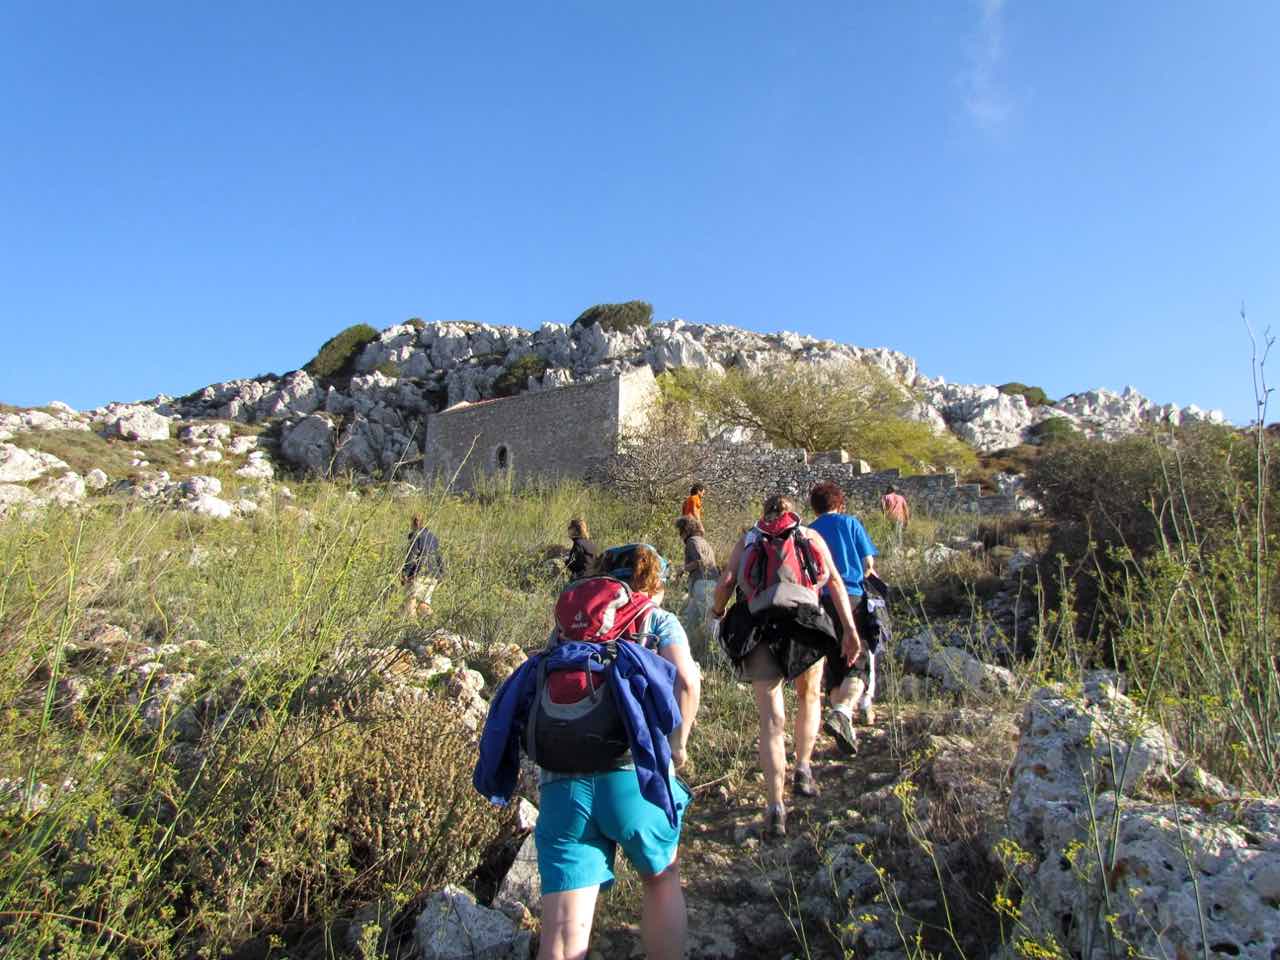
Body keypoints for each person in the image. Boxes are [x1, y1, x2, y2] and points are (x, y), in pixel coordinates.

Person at [535, 546, 701, 960]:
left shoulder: (568, 627)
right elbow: (687, 682)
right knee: (661, 878)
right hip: (633, 777)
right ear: (652, 583)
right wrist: (677, 745)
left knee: (562, 931)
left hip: (562, 779)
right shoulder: (656, 619)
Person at [709, 494, 863, 839]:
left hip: (761, 628)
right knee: (810, 696)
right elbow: (835, 582)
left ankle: (775, 807)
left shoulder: (750, 538)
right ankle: (804, 769)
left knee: (771, 720)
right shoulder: (809, 536)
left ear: (763, 514)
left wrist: (717, 613)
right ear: (794, 512)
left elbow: (726, 582)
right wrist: (849, 631)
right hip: (805, 625)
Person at [810, 481, 881, 731]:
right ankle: (843, 711)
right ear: (839, 503)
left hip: (820, 602)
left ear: (814, 507)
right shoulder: (851, 524)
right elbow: (867, 563)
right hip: (852, 597)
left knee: (834, 662)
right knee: (858, 658)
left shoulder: (809, 531)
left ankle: (844, 722)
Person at [675, 516, 719, 658]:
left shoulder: (692, 542)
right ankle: (682, 652)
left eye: (680, 530)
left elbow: (702, 561)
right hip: (705, 585)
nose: (679, 534)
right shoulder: (702, 541)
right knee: (689, 621)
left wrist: (683, 569)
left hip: (703, 585)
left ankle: (722, 655)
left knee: (711, 622)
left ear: (686, 529)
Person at [401, 515, 444, 618]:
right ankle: (434, 625)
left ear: (413, 523)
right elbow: (439, 556)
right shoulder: (433, 537)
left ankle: (410, 630)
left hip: (418, 575)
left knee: (410, 602)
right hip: (433, 575)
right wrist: (441, 573)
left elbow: (412, 556)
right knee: (423, 604)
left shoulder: (416, 536)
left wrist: (405, 574)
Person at [881, 484, 910, 550]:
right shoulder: (901, 497)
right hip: (900, 517)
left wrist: (884, 517)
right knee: (898, 533)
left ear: (889, 490)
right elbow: (906, 509)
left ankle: (893, 549)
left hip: (890, 518)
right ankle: (898, 548)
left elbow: (883, 508)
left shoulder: (885, 497)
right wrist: (907, 520)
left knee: (891, 533)